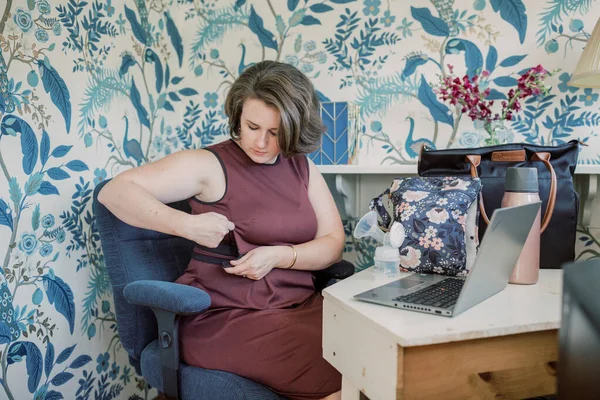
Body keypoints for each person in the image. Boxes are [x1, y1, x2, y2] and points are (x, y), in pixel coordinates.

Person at [98, 60, 345, 400]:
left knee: (369, 350)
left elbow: (333, 243)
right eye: (252, 126)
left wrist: (280, 256)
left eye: (275, 133)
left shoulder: (301, 166)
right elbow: (113, 192)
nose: (260, 142)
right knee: (340, 371)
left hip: (299, 307)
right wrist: (185, 224)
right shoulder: (209, 164)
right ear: (237, 117)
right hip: (226, 317)